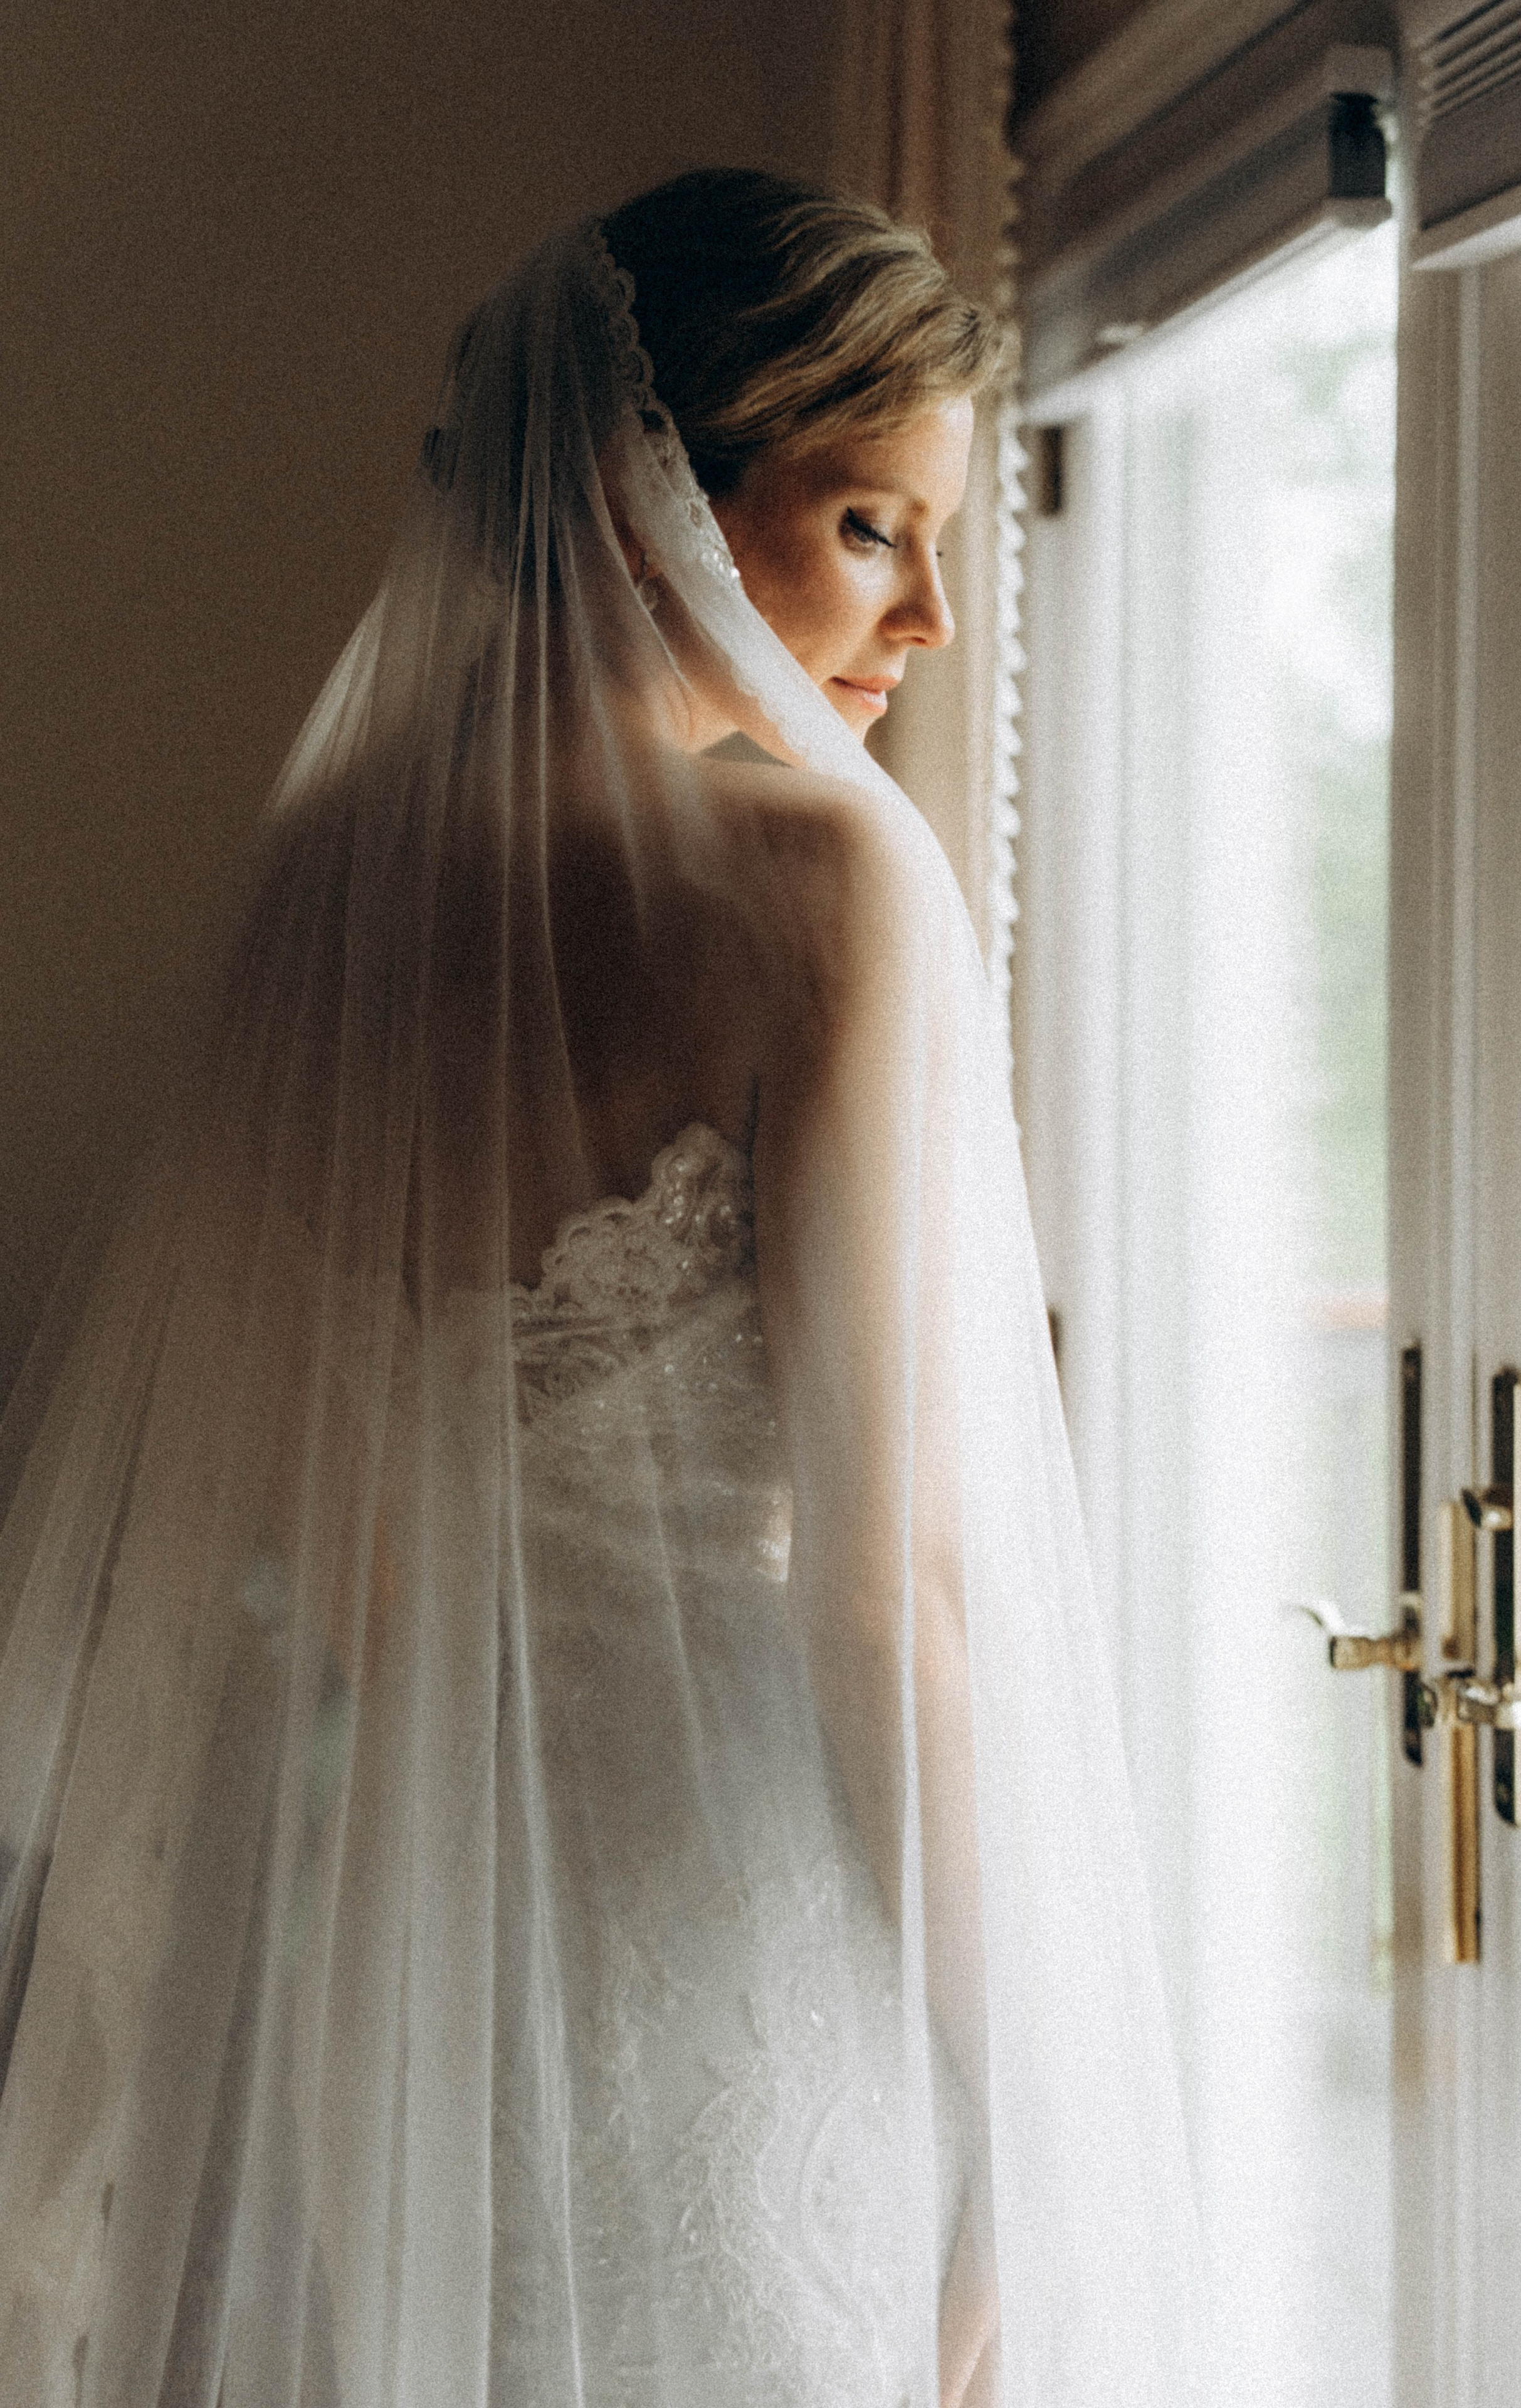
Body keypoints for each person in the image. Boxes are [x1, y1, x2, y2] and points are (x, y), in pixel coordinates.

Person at [0, 171, 1207, 2406]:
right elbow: (879, 1585)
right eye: (870, 525)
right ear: (660, 499)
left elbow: (285, 1525)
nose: (932, 616)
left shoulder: (320, 883)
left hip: (383, 1941)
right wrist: (1016, 2090)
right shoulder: (824, 885)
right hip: (715, 1946)